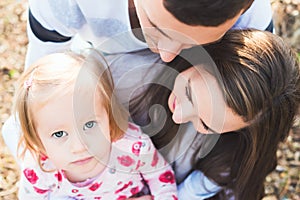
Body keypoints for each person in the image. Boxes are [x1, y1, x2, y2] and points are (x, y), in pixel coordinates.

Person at [2, 0, 275, 161]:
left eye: (194, 43)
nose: (167, 54)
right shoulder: (62, 4)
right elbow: (39, 83)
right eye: (155, 27)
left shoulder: (254, 20)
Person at [130, 29, 300, 199]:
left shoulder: (229, 158)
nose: (178, 116)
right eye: (189, 93)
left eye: (206, 125)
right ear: (203, 57)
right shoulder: (133, 75)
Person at [13, 51, 177, 199]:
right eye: (59, 134)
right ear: (37, 140)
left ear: (109, 114)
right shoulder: (39, 170)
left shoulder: (133, 147)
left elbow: (161, 179)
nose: (80, 146)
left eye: (90, 124)